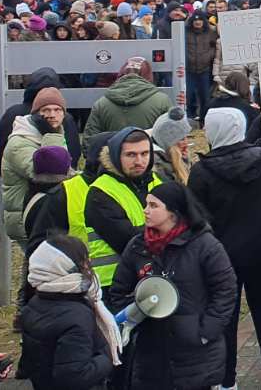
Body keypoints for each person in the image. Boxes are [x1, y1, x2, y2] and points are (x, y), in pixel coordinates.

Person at [186, 108, 261, 390]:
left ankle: (227, 381)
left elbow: (197, 218)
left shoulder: (201, 171)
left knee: (226, 316)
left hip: (220, 254)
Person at [105, 182, 238, 390]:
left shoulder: (204, 245)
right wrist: (138, 311)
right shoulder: (138, 246)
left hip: (194, 353)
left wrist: (205, 331)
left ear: (173, 213)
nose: (145, 210)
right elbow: (118, 290)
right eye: (146, 204)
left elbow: (226, 290)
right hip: (151, 353)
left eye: (153, 205)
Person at [16, 234, 120, 390]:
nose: (89, 265)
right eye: (84, 261)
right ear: (68, 269)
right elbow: (75, 377)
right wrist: (107, 357)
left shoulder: (34, 304)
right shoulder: (77, 316)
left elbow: (29, 363)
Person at [82, 128, 159, 288]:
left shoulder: (156, 181)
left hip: (153, 276)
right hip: (114, 283)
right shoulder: (101, 192)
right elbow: (128, 240)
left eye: (145, 153)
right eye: (131, 155)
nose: (139, 161)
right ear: (116, 156)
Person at [0, 89, 70, 241]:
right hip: (27, 218)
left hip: (45, 213)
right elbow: (51, 172)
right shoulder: (19, 142)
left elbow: (67, 171)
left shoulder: (52, 134)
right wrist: (51, 134)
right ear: (36, 114)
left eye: (57, 110)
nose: (52, 114)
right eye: (46, 110)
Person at [0, 68, 81, 168]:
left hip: (17, 174)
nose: (51, 114)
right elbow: (73, 153)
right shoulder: (64, 118)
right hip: (59, 174)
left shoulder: (12, 114)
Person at [82, 60, 172, 142]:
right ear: (149, 76)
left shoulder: (101, 103)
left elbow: (89, 142)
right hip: (150, 154)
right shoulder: (162, 101)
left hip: (111, 154)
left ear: (121, 74)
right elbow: (172, 137)